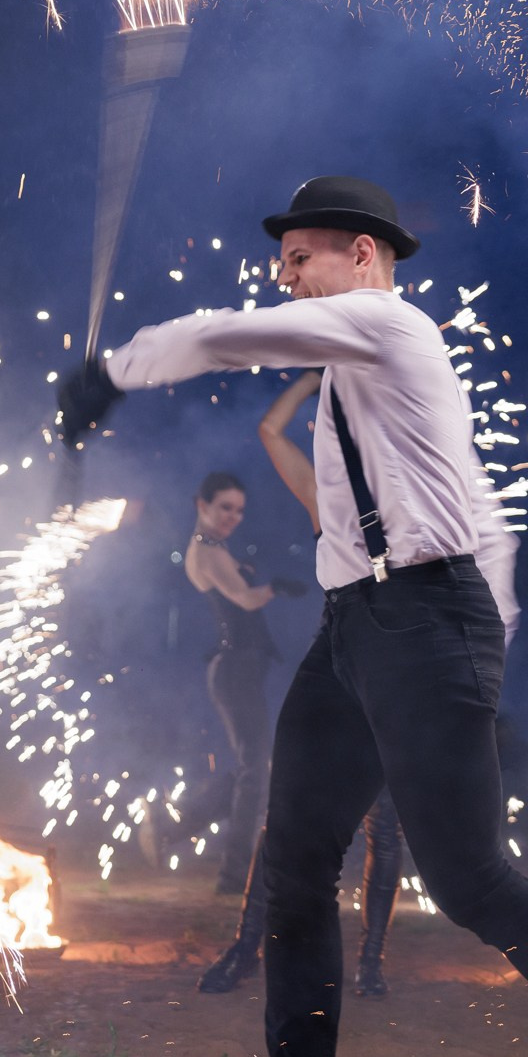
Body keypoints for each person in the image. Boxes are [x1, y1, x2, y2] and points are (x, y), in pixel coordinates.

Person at [59, 174, 528, 1057]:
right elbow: (444, 510)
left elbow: (232, 336)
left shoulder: (388, 325)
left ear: (365, 256)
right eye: (281, 261)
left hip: (422, 623)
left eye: (301, 256)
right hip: (355, 625)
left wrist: (116, 370)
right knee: (295, 859)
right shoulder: (353, 379)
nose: (285, 275)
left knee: (466, 879)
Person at [200, 372, 406, 1000]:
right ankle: (245, 947)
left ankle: (371, 962)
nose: (325, 436)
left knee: (385, 827)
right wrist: (315, 379)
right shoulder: (324, 496)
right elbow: (269, 429)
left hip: (397, 673)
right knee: (283, 815)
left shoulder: (409, 496)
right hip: (335, 665)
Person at [182, 470, 300, 899]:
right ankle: (233, 879)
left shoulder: (215, 548)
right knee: (256, 772)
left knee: (254, 768)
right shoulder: (206, 550)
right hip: (234, 670)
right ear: (203, 505)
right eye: (225, 507)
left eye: (239, 510)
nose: (234, 517)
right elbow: (247, 600)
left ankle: (177, 825)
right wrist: (274, 587)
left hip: (240, 668)